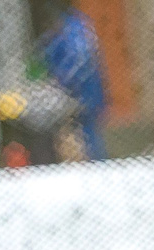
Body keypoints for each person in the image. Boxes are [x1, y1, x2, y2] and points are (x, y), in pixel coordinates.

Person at [37, 0, 112, 162]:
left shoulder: (71, 30)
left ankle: (96, 165)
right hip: (86, 92)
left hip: (83, 94)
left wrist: (65, 83)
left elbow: (78, 62)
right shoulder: (76, 26)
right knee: (85, 135)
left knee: (88, 134)